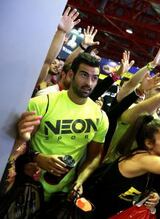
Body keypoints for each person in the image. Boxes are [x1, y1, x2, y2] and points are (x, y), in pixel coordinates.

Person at [17, 52, 109, 208]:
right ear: (71, 74)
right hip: (28, 188)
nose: (89, 83)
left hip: (62, 195)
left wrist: (80, 180)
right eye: (84, 75)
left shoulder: (100, 117)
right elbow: (17, 144)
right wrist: (36, 157)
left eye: (94, 78)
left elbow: (94, 158)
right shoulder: (41, 104)